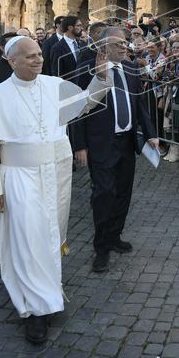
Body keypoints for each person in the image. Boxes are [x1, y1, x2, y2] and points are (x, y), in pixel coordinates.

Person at [0, 36, 108, 343]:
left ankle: (48, 292)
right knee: (28, 238)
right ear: (12, 61)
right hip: (20, 177)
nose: (38, 60)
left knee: (51, 235)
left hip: (57, 173)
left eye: (39, 55)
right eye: (30, 56)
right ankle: (34, 310)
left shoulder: (53, 84)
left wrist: (100, 79)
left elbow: (84, 103)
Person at [71, 28, 160, 274]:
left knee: (123, 192)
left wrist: (151, 132)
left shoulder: (131, 69)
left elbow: (139, 103)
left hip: (127, 142)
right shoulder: (88, 69)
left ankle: (114, 236)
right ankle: (101, 247)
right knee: (103, 194)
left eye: (125, 42)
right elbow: (78, 109)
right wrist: (79, 145)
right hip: (101, 143)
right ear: (103, 48)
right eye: (118, 43)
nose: (124, 47)